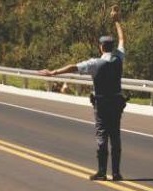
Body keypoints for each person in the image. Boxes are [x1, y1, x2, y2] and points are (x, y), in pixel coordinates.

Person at [39, 5, 127, 181]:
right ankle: (116, 173)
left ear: (101, 47)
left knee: (102, 135)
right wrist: (117, 21)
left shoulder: (95, 63)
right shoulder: (119, 59)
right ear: (111, 47)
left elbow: (74, 67)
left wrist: (54, 72)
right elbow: (122, 40)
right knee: (115, 136)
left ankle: (102, 172)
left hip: (102, 104)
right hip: (116, 103)